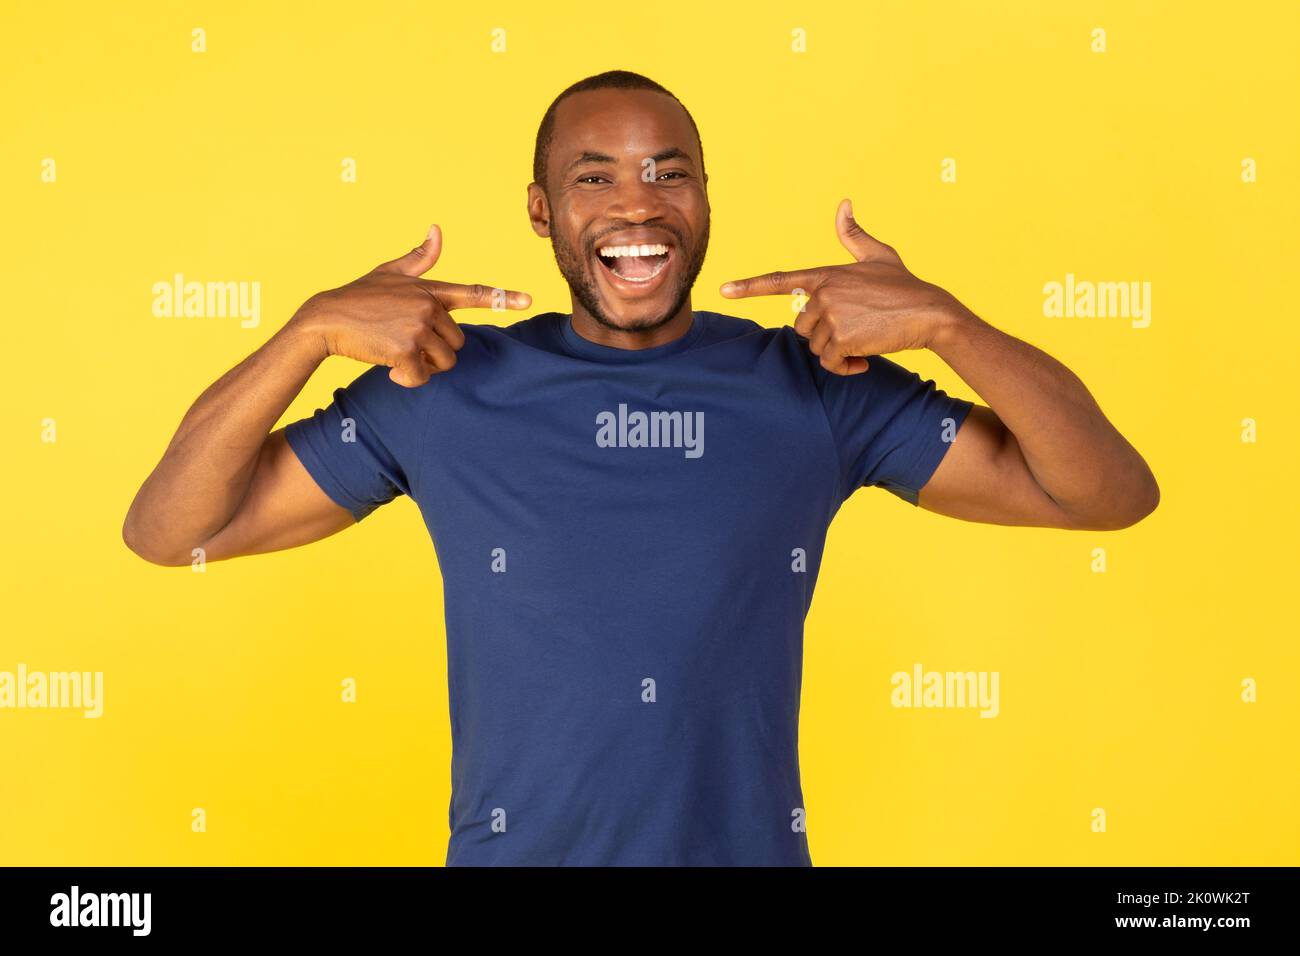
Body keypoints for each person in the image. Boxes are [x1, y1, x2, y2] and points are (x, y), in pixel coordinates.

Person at [123, 70, 1159, 865]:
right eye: (595, 176)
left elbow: (1106, 493)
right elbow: (173, 530)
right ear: (541, 210)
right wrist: (303, 333)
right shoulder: (438, 384)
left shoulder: (817, 385)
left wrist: (946, 322)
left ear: (706, 197)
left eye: (670, 171)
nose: (639, 204)